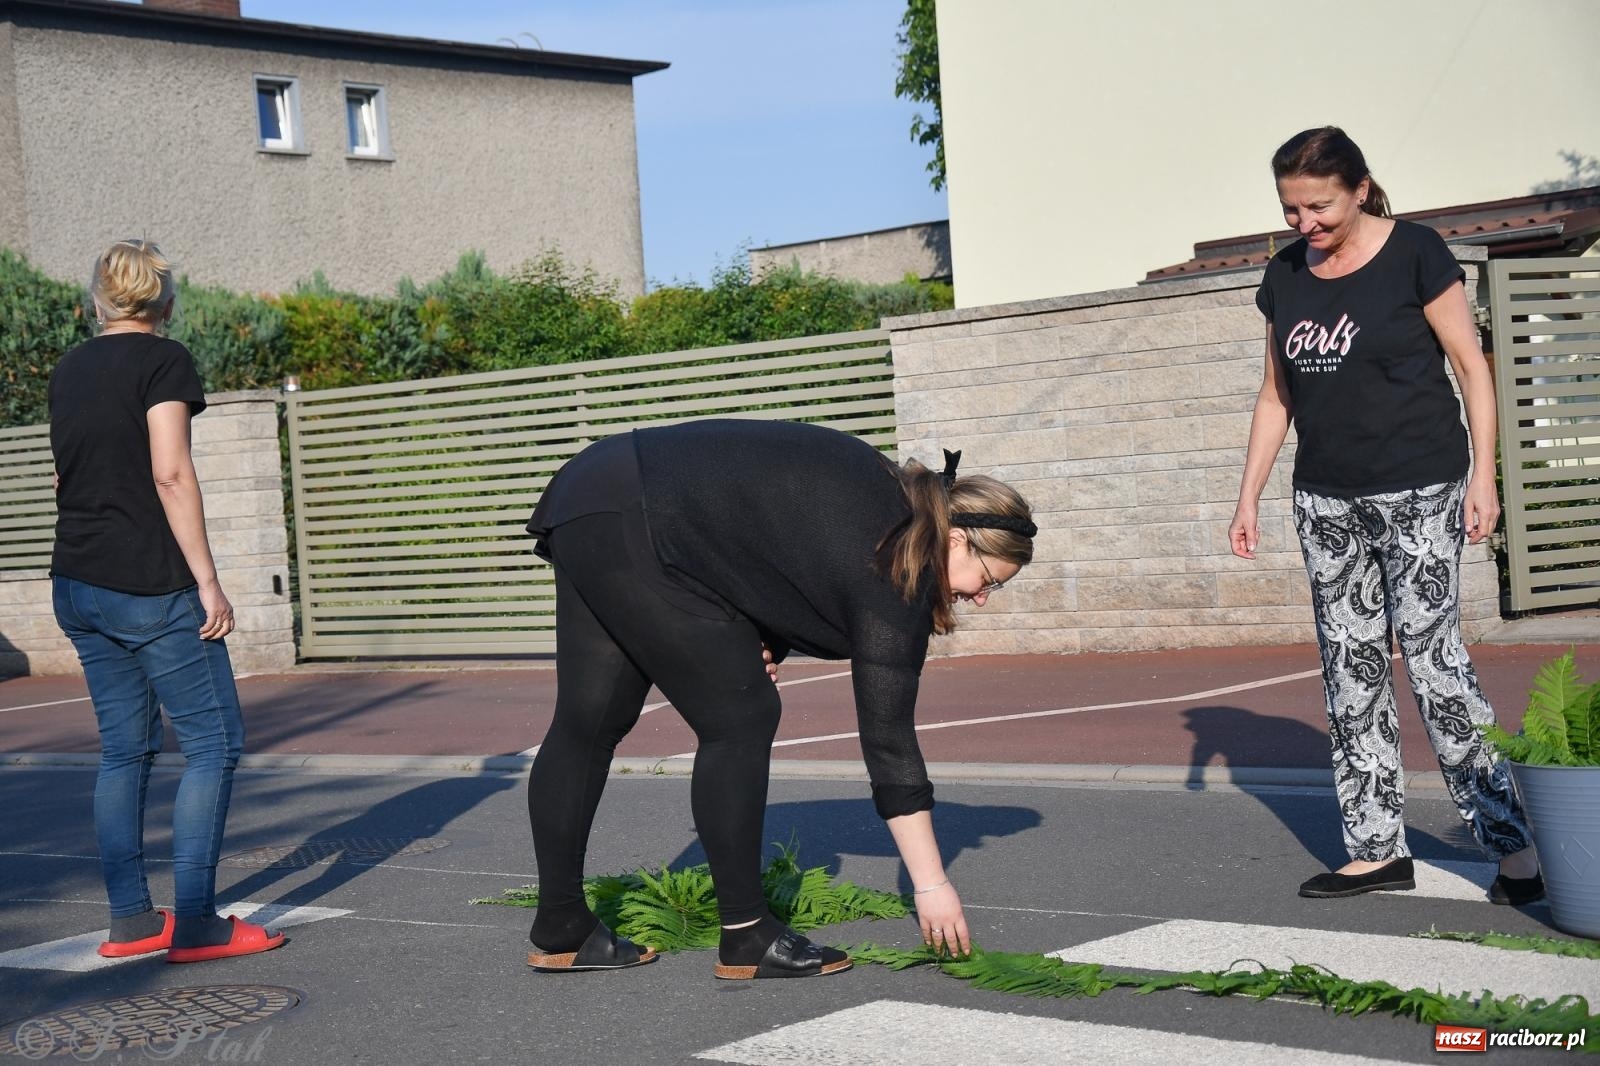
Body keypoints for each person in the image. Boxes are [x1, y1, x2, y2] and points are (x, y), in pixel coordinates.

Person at [523, 418, 1036, 977]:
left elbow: (773, 549)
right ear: (957, 539)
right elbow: (889, 742)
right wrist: (932, 885)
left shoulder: (885, 501)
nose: (981, 598)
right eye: (989, 579)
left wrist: (764, 641)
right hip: (649, 516)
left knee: (589, 722)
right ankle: (746, 934)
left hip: (594, 488)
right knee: (741, 717)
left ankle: (563, 925)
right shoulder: (899, 565)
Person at [1228, 128, 1542, 904]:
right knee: (1351, 670)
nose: (1304, 223)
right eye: (1290, 209)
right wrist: (1248, 497)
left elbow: (1473, 367)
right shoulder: (1285, 275)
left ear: (1360, 188)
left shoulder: (1416, 253)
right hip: (1326, 499)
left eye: (1318, 206)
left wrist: (1484, 478)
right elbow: (1278, 394)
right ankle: (1376, 849)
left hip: (1420, 487)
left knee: (1437, 667)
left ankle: (1514, 851)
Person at [49, 239, 284, 963]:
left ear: (98, 302)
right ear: (165, 304)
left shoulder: (67, 369)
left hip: (77, 583)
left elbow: (66, 480)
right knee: (214, 744)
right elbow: (171, 472)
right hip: (150, 585)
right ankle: (199, 924)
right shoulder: (163, 360)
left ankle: (130, 922)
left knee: (124, 752)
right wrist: (208, 580)